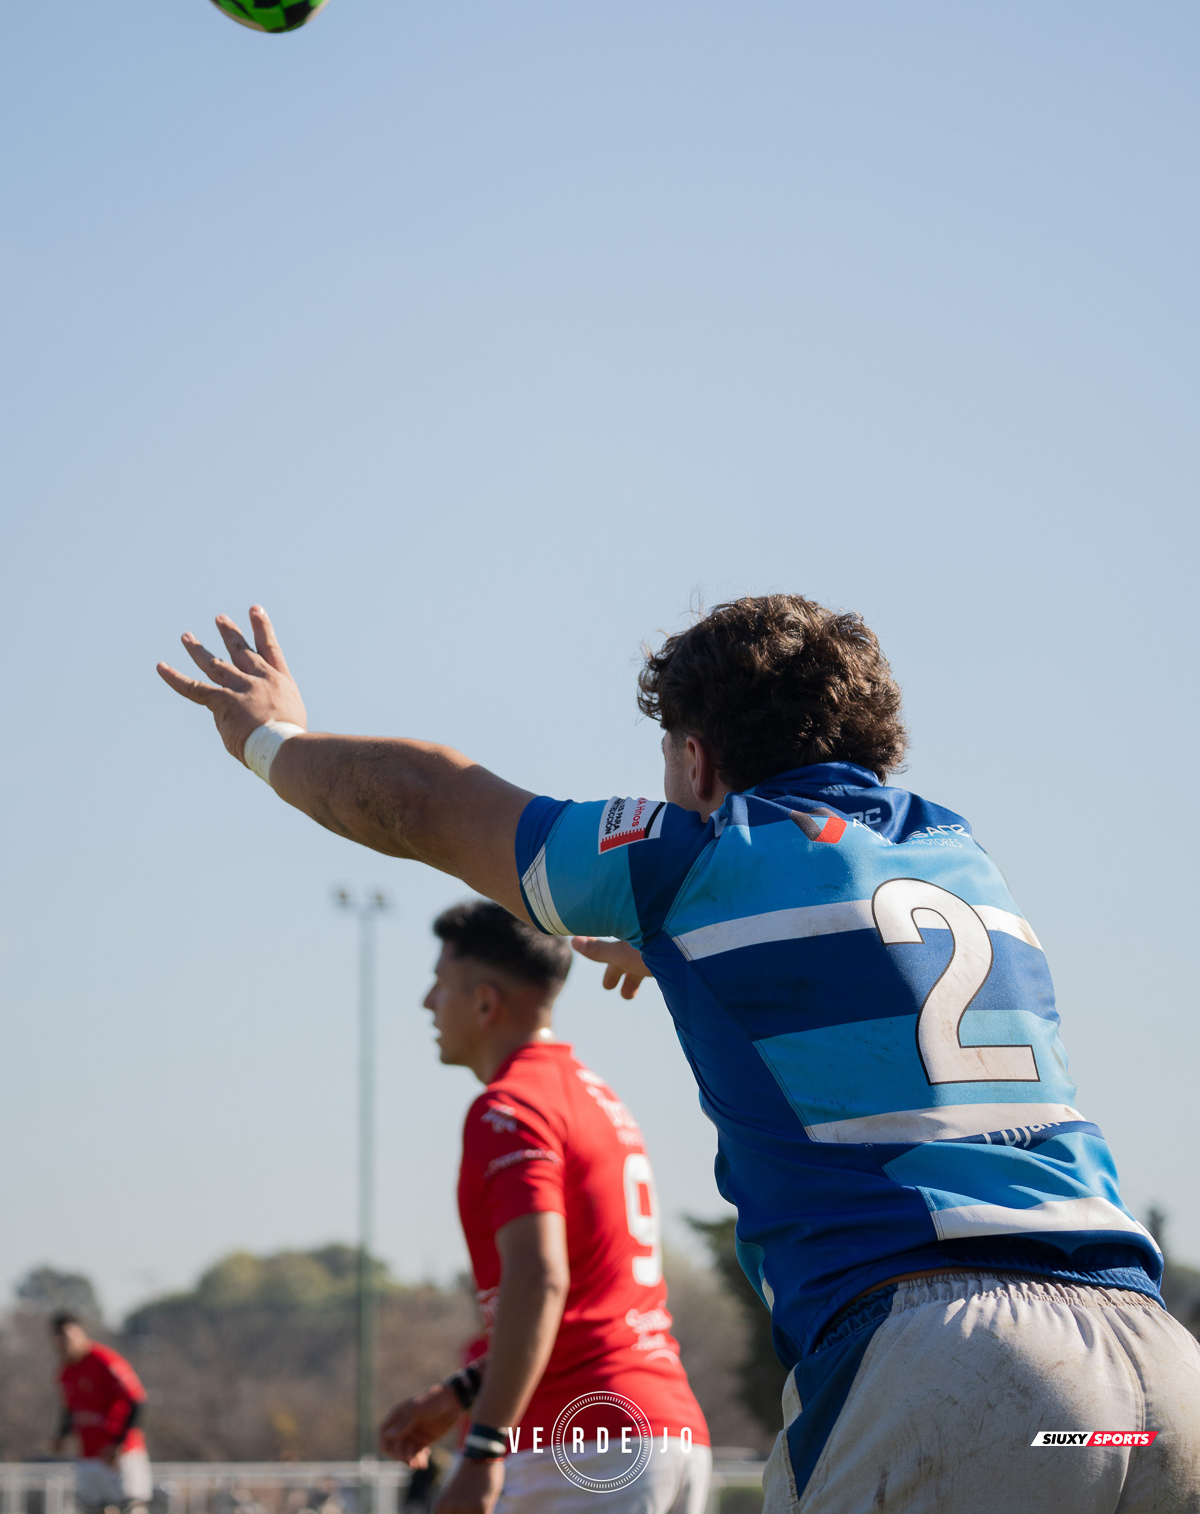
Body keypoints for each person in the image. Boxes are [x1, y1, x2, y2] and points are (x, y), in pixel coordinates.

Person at [159, 595, 1200, 1512]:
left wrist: (270, 738)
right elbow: (874, 980)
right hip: (1152, 1372)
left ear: (695, 759)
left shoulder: (701, 854)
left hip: (950, 1360)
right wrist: (680, 954)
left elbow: (425, 803)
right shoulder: (960, 854)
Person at [378, 898, 710, 1514]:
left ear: (484, 1002)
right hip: (658, 1429)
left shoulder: (509, 1108)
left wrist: (481, 1451)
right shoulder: (592, 1095)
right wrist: (460, 1392)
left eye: (439, 983)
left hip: (582, 1444)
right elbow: (581, 1303)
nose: (428, 1003)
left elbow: (539, 1278)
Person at [52, 1314, 152, 1513]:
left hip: (120, 1454)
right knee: (93, 1508)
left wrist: (118, 1443)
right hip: (89, 1454)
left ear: (81, 1335)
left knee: (130, 1507)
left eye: (68, 1337)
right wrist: (62, 1435)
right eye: (59, 1340)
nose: (64, 1344)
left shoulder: (103, 1360)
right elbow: (70, 1409)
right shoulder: (66, 1371)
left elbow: (136, 1400)